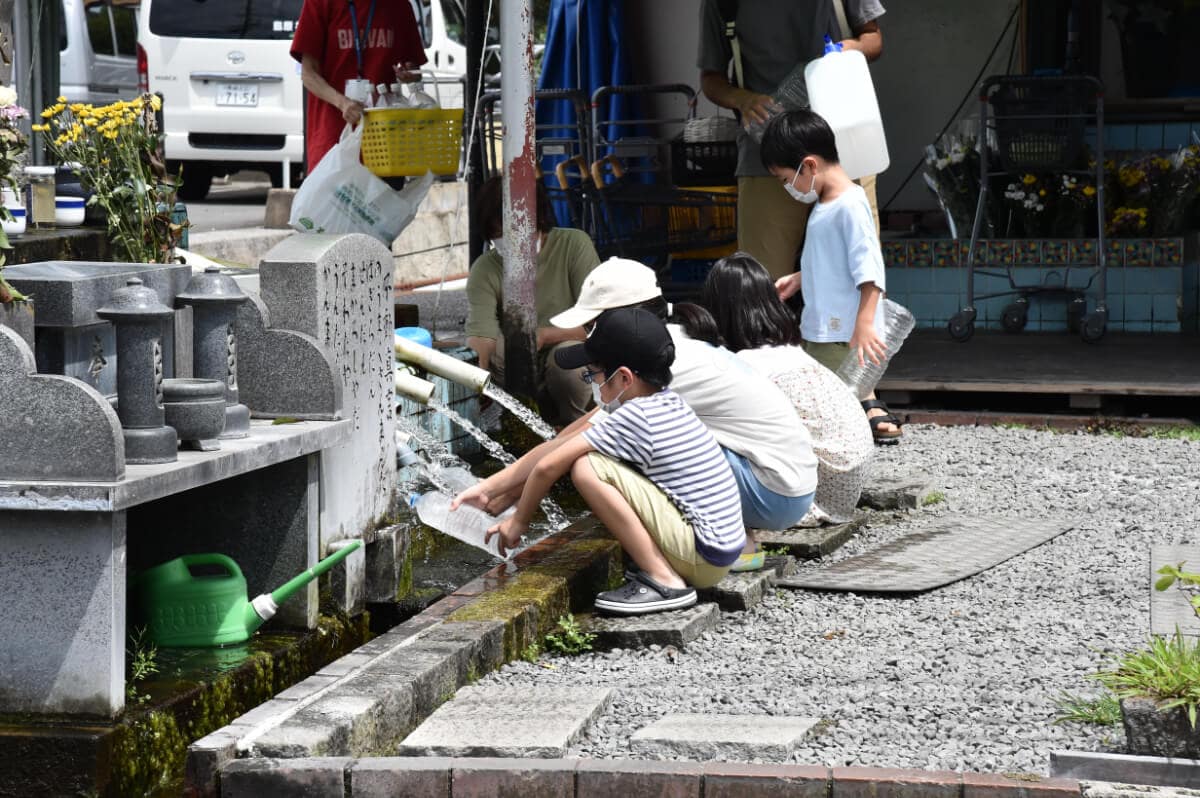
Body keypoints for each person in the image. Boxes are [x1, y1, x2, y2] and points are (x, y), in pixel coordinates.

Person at [455, 257, 817, 573]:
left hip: (773, 492)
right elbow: (573, 432)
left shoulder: (667, 361)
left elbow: (573, 444)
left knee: (602, 457)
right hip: (782, 483)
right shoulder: (667, 344)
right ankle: (731, 538)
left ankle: (678, 564)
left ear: (626, 319)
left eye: (593, 324)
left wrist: (495, 490)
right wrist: (500, 490)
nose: (587, 335)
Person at [483, 307, 745, 615]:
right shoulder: (665, 401)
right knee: (598, 461)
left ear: (623, 378)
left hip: (703, 556)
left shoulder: (635, 416)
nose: (591, 381)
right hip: (720, 550)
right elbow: (557, 447)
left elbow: (548, 465)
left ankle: (664, 581)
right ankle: (662, 569)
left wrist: (518, 522)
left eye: (592, 374)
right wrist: (494, 490)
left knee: (587, 467)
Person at [697, 0, 885, 281]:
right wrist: (743, 100)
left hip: (845, 148)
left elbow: (872, 39)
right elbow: (711, 78)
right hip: (767, 157)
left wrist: (843, 51)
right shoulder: (722, 4)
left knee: (859, 277)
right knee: (762, 286)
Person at [695, 252, 874, 525]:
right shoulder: (789, 351)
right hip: (849, 481)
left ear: (717, 310)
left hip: (814, 494)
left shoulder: (742, 365)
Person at [760, 108, 902, 442]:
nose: (788, 188)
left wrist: (865, 324)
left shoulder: (849, 205)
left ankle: (838, 461)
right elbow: (833, 258)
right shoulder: (826, 202)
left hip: (842, 335)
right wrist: (800, 277)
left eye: (785, 179)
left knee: (827, 407)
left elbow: (869, 270)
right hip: (824, 330)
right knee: (824, 405)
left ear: (808, 165)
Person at [464, 176, 600, 426]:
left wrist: (545, 336)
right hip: (519, 363)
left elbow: (596, 324)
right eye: (499, 235)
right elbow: (481, 333)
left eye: (518, 232)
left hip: (567, 353)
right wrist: (476, 376)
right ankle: (520, 420)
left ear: (539, 221)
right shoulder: (485, 268)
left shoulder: (574, 245)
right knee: (497, 351)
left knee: (566, 361)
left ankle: (577, 427)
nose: (510, 242)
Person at [291, 0, 427, 171]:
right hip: (333, 139)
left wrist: (409, 74)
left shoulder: (398, 5)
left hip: (385, 143)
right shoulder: (320, 3)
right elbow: (309, 74)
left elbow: (414, 70)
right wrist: (343, 103)